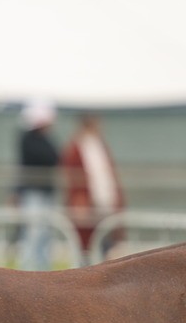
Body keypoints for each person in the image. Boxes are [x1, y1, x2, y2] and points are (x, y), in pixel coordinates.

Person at [62, 112, 125, 258]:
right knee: (86, 244)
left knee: (104, 240)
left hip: (103, 200)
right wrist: (78, 198)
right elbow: (73, 177)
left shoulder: (99, 145)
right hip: (88, 203)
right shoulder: (77, 147)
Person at [14, 99, 59, 270]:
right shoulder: (29, 139)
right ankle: (28, 268)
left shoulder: (42, 139)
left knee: (44, 233)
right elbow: (51, 157)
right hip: (33, 192)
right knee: (33, 232)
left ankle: (41, 268)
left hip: (43, 192)